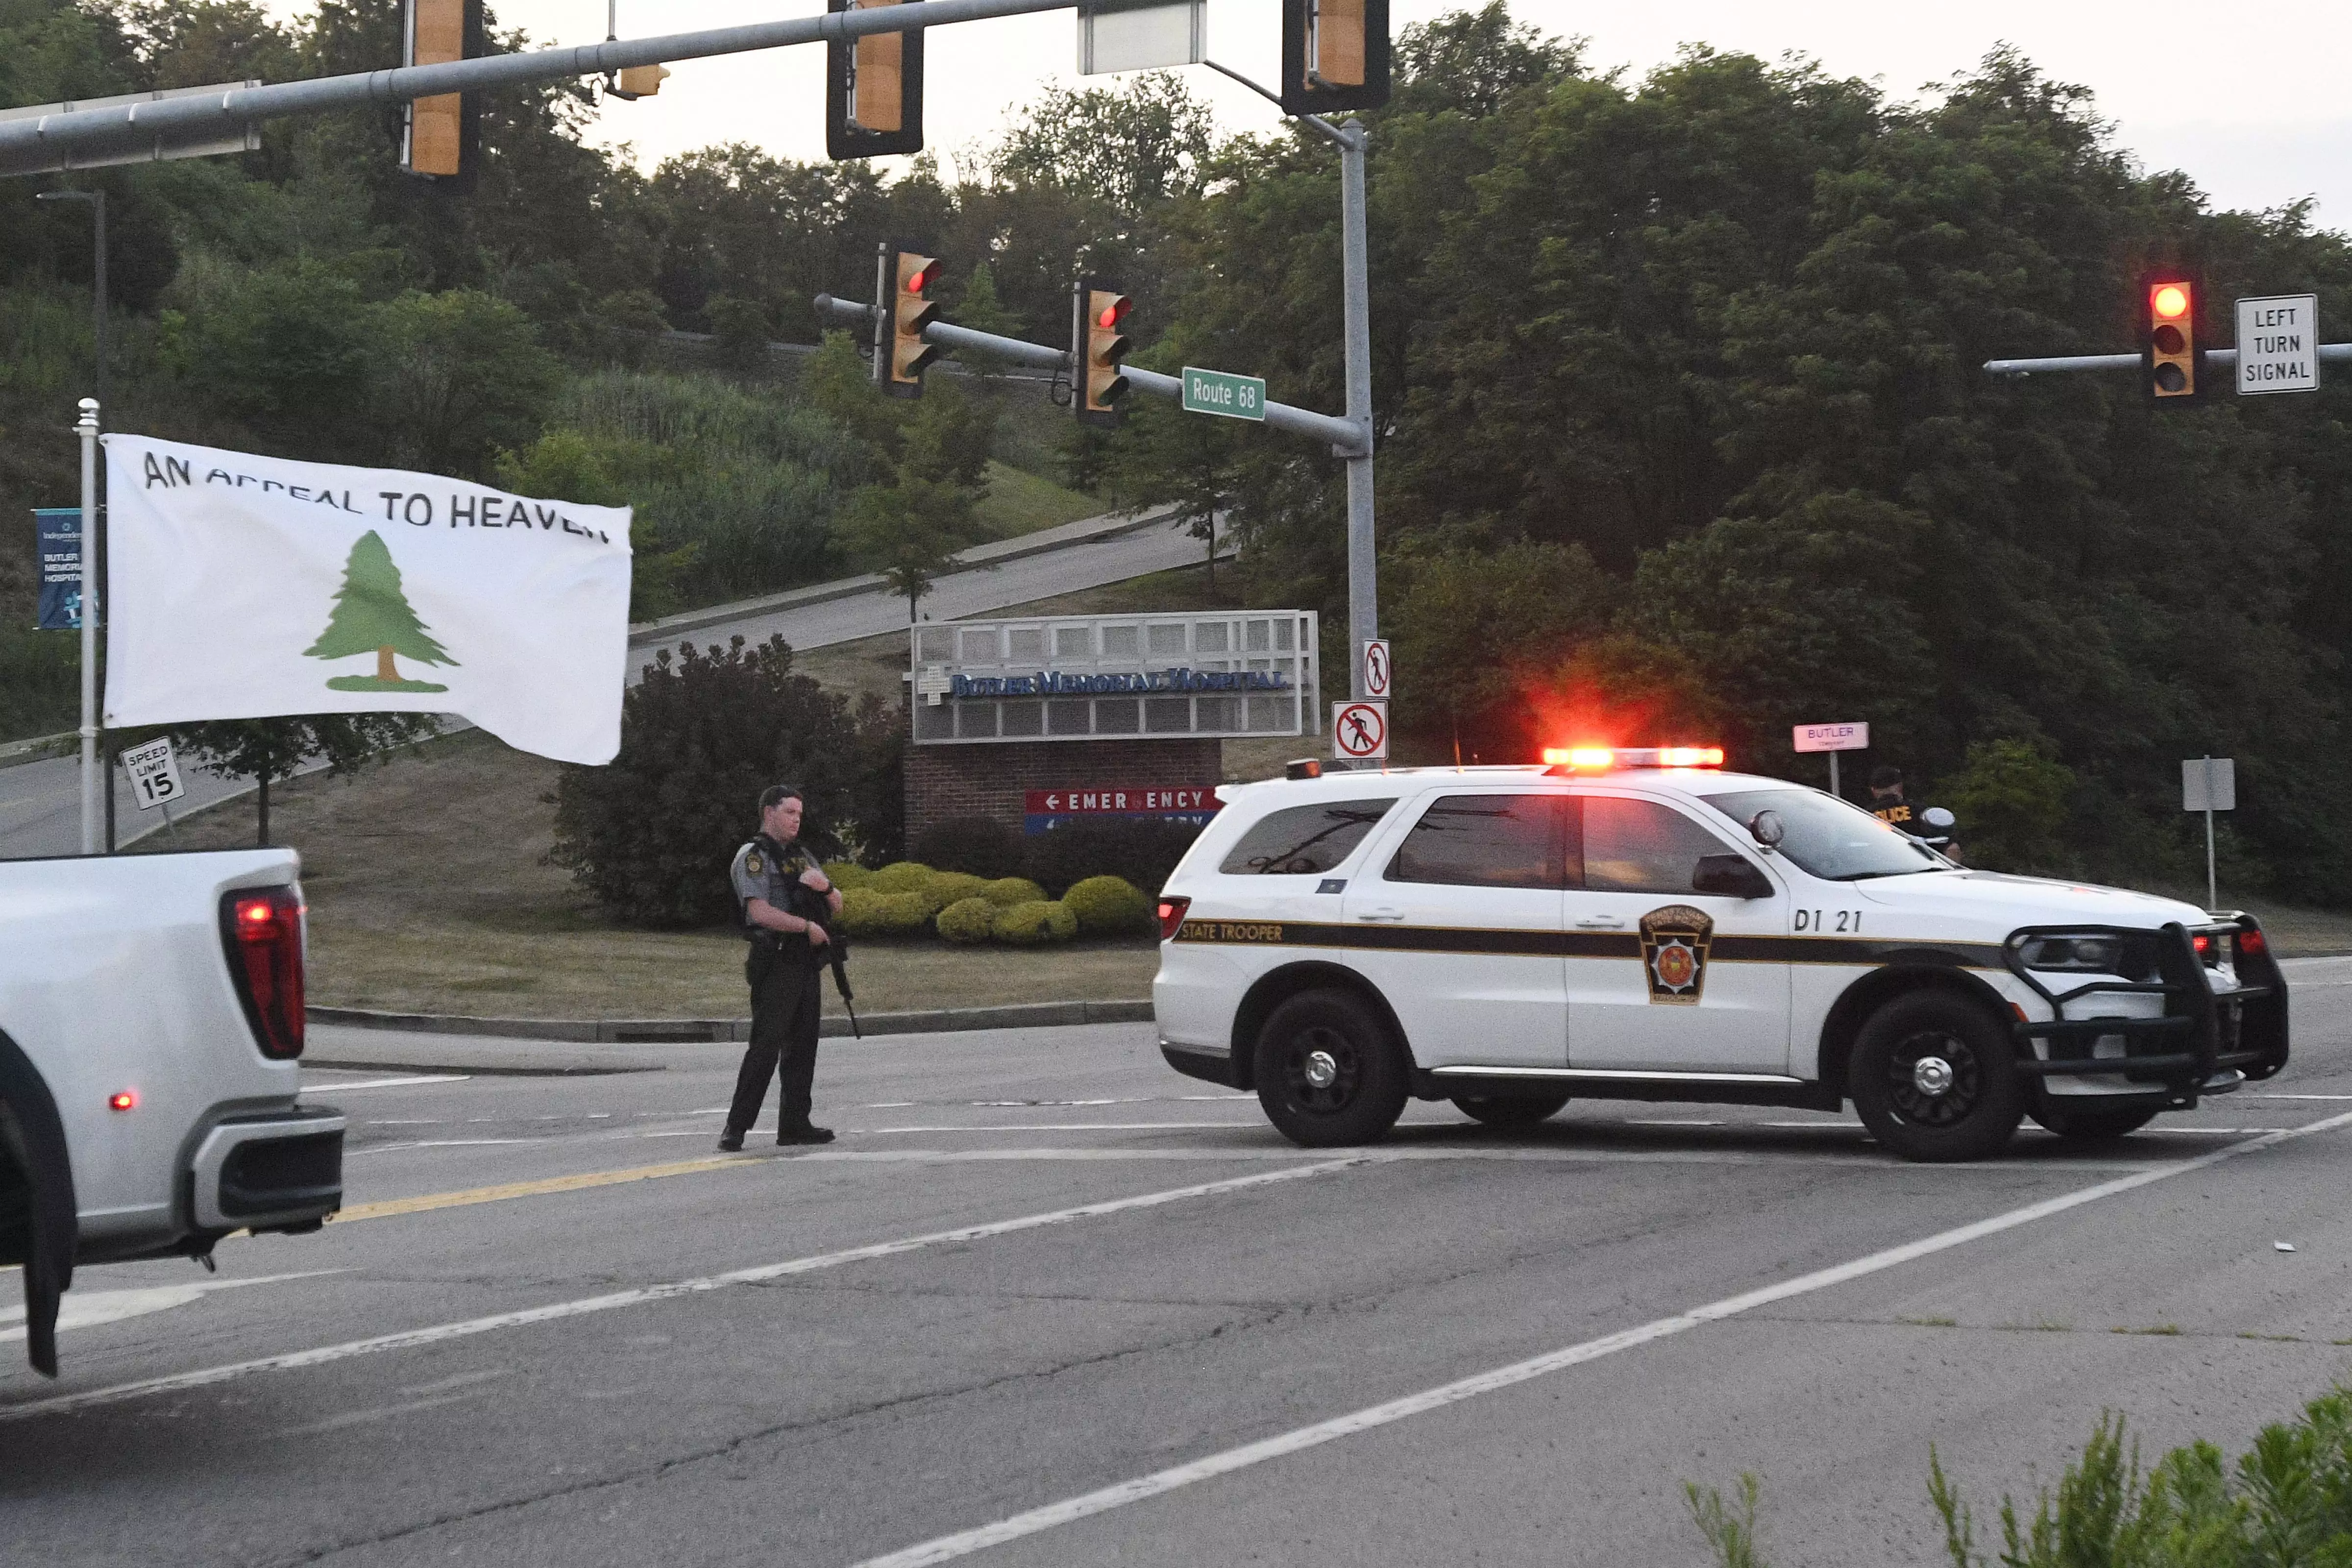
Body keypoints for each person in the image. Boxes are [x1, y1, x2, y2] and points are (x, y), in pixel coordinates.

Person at [718, 785, 843, 1150]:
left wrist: (827, 887)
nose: (796, 820)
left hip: (805, 961)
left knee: (804, 1046)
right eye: (790, 812)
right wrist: (806, 927)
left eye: (800, 814)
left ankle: (795, 1124)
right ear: (769, 813)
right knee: (766, 1046)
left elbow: (838, 905)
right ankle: (736, 1128)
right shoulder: (753, 857)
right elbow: (759, 912)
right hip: (775, 960)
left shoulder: (802, 857)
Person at [1867, 766, 1962, 862]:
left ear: (1873, 791)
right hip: (1921, 868)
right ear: (1900, 786)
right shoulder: (1920, 811)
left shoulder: (1864, 817)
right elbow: (1952, 849)